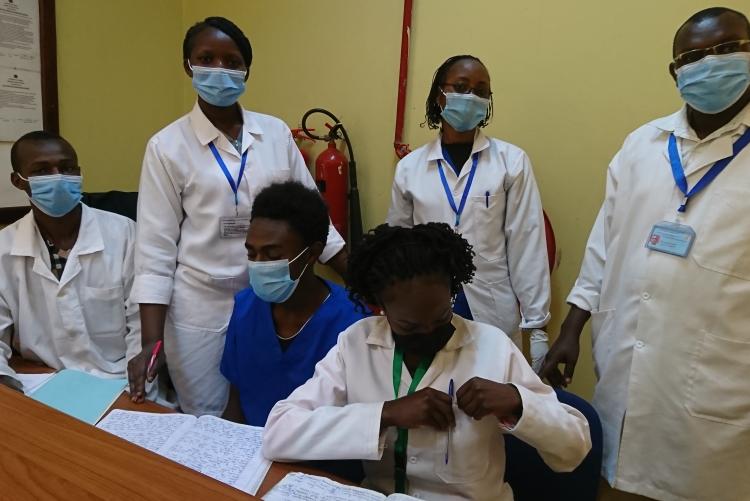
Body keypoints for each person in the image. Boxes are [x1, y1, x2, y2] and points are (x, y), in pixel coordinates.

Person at [540, 8, 750, 501]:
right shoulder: (642, 144)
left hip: (722, 377)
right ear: (675, 72)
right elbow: (603, 243)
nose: (710, 64)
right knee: (619, 478)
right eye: (694, 56)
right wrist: (571, 328)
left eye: (727, 49)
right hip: (627, 361)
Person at [263, 223, 591, 501]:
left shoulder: (491, 346)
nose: (429, 334)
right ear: (380, 307)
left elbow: (574, 448)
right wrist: (386, 414)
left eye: (440, 318)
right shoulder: (357, 343)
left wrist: (518, 403)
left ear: (452, 292)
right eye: (409, 327)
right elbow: (279, 433)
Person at [129, 17, 347, 415]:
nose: (220, 69)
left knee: (272, 413)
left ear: (247, 70)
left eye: (232, 61)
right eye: (206, 58)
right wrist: (151, 343)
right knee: (211, 419)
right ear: (187, 66)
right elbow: (154, 252)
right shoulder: (166, 147)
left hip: (270, 300)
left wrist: (366, 284)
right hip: (201, 307)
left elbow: (316, 220)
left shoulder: (275, 133)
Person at [386, 55, 550, 371]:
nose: (471, 97)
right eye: (461, 87)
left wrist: (537, 324)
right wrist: (395, 308)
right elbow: (397, 249)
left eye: (481, 91)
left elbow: (526, 243)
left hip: (491, 308)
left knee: (490, 400)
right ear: (440, 96)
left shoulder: (511, 162)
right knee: (434, 397)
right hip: (427, 306)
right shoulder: (410, 169)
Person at [0, 131, 140, 391]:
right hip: (43, 382)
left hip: (119, 382)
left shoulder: (124, 233)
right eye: (42, 171)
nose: (58, 177)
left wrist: (135, 384)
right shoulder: (4, 248)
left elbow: (141, 323)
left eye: (66, 168)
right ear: (18, 181)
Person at [221, 181, 366, 426]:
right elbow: (236, 404)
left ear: (312, 254)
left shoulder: (352, 322)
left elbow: (357, 421)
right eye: (251, 253)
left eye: (273, 255)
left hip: (321, 459)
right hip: (252, 451)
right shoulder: (246, 308)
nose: (258, 264)